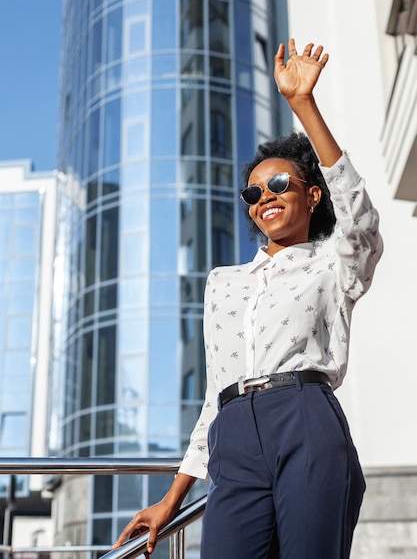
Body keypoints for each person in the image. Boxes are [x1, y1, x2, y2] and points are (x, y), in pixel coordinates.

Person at [113, 39, 383, 558]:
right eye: (254, 193)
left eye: (280, 183)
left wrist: (304, 106)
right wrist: (173, 497)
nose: (266, 197)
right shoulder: (224, 281)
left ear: (313, 194)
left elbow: (363, 222)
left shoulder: (333, 263)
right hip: (232, 436)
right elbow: (216, 391)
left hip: (304, 415)